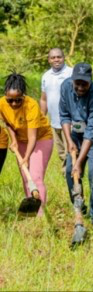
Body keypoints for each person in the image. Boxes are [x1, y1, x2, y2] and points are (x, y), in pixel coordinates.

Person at [60, 63, 93, 223]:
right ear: (72, 80)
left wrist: (80, 161)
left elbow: (91, 132)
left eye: (85, 83)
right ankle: (79, 204)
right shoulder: (65, 87)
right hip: (76, 132)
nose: (81, 87)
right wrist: (69, 141)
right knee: (70, 169)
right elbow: (64, 116)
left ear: (90, 80)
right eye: (78, 83)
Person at [0, 73, 53, 215]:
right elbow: (8, 123)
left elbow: (33, 136)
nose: (14, 104)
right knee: (25, 176)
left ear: (23, 96)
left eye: (18, 100)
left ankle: (40, 214)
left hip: (41, 139)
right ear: (5, 95)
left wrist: (26, 157)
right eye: (10, 100)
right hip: (20, 140)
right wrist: (14, 140)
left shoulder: (31, 105)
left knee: (35, 176)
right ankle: (30, 211)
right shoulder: (2, 104)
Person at [40, 48, 73, 173]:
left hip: (69, 121)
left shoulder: (71, 73)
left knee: (69, 149)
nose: (56, 60)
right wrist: (42, 119)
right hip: (54, 121)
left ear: (64, 58)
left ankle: (71, 174)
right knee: (60, 151)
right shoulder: (46, 76)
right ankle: (67, 172)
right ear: (49, 60)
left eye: (59, 57)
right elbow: (43, 99)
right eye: (53, 57)